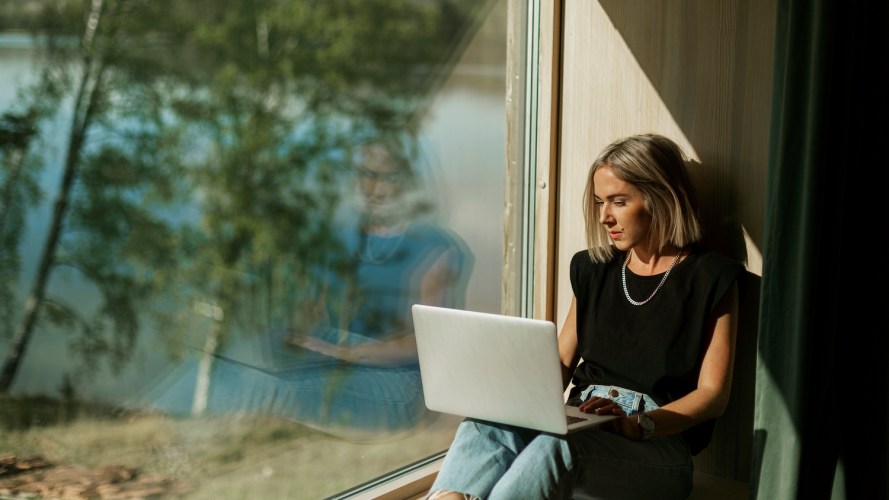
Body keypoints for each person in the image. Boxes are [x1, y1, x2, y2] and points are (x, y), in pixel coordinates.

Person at [426, 133, 743, 499]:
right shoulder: (594, 268)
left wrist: (639, 424)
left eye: (618, 202)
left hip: (658, 444)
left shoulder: (713, 277)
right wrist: (508, 400)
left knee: (556, 447)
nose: (605, 217)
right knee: (482, 427)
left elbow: (713, 394)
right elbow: (562, 359)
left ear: (660, 198)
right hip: (581, 415)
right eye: (599, 202)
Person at [146, 134, 473, 441]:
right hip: (333, 356)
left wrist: (348, 353)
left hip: (398, 383)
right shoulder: (341, 235)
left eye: (387, 176)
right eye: (364, 173)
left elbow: (426, 343)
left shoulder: (437, 248)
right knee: (223, 364)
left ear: (411, 182)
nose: (372, 187)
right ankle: (147, 420)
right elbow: (313, 309)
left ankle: (179, 441)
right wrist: (286, 331)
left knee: (270, 391)